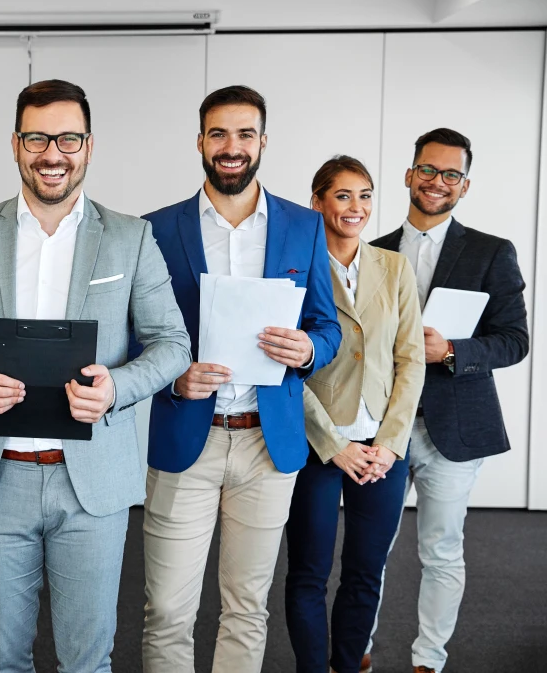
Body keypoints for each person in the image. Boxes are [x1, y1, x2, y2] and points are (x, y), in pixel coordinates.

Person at [0, 79, 191, 671]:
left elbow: (172, 345)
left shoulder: (130, 237)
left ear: (89, 146)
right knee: (1, 656)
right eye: (37, 137)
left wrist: (117, 388)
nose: (52, 152)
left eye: (68, 137)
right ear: (15, 145)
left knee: (87, 660)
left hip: (91, 485)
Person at [139, 85, 342, 673]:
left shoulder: (303, 227)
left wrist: (307, 349)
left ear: (263, 142)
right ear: (200, 141)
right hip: (186, 440)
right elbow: (133, 336)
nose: (232, 147)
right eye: (219, 134)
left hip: (267, 442)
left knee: (247, 607)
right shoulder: (157, 228)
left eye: (244, 134)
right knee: (169, 611)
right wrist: (175, 379)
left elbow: (326, 326)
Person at [366, 129, 529, 673]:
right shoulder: (372, 250)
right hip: (381, 425)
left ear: (465, 186)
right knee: (372, 550)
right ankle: (356, 649)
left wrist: (453, 350)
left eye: (451, 175)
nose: (438, 182)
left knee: (440, 550)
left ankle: (427, 660)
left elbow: (514, 340)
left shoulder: (491, 252)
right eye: (428, 171)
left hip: (455, 428)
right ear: (410, 175)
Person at [282, 156, 425, 673]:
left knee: (367, 571)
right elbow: (281, 371)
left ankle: (347, 665)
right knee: (308, 574)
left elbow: (410, 360)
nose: (356, 207)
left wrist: (390, 443)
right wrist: (334, 444)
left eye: (365, 195)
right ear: (317, 201)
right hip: (318, 447)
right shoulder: (293, 268)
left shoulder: (394, 267)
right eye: (343, 195)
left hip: (382, 451)